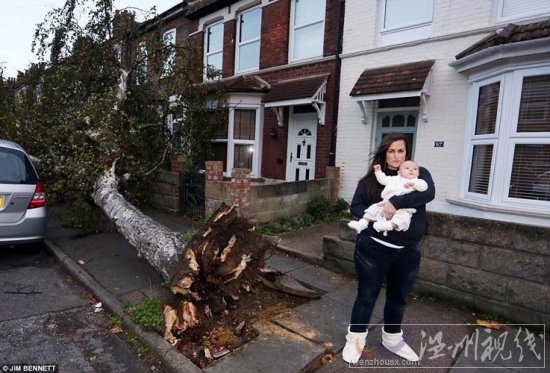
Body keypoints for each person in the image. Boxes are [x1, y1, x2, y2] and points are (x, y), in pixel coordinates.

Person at [342, 133, 435, 364]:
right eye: (391, 151)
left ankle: (392, 339)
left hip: (408, 251)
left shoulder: (417, 173)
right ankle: (355, 340)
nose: (396, 156)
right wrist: (379, 213)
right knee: (367, 295)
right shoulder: (371, 181)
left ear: (407, 153)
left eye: (400, 151)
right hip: (373, 249)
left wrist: (396, 203)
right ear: (384, 153)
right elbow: (356, 206)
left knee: (399, 297)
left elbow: (428, 193)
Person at [347, 160, 428, 235]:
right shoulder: (394, 179)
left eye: (415, 169)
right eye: (407, 168)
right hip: (385, 203)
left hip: (404, 207)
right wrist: (378, 171)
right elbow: (383, 180)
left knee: (404, 217)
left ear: (418, 173)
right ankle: (363, 223)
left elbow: (424, 187)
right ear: (399, 172)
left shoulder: (417, 181)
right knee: (373, 208)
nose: (411, 170)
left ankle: (389, 226)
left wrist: (413, 184)